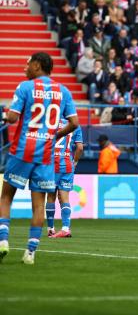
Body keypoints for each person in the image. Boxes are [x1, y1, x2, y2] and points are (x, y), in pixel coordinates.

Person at [0, 52, 79, 265]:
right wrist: (54, 136)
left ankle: (3, 241)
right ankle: (31, 252)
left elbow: (13, 117)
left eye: (27, 64)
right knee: (39, 206)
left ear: (37, 65)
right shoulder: (63, 91)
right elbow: (74, 122)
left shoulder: (25, 87)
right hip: (45, 155)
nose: (24, 68)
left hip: (22, 150)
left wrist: (4, 115)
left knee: (6, 197)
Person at [46, 119, 84, 238]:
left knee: (51, 197)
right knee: (65, 198)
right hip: (67, 165)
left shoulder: (50, 122)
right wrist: (75, 161)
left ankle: (51, 228)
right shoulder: (74, 124)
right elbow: (80, 148)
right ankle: (66, 228)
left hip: (51, 165)